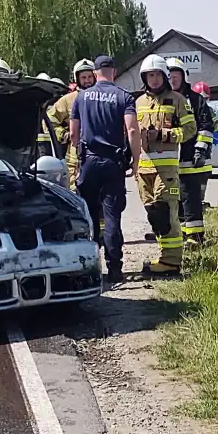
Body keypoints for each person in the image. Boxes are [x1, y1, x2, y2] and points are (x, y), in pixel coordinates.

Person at [70, 55, 140, 285]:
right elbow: (131, 131)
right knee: (112, 218)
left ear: (96, 72)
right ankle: (115, 269)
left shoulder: (81, 97)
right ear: (114, 71)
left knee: (89, 217)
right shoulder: (124, 96)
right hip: (113, 164)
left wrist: (80, 156)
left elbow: (73, 134)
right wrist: (136, 161)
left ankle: (90, 269)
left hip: (89, 162)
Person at [135, 54, 196, 277]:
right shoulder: (138, 102)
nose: (153, 80)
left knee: (167, 215)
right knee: (154, 216)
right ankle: (164, 256)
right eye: (149, 75)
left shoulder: (178, 100)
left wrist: (163, 134)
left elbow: (190, 131)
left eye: (157, 75)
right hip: (143, 170)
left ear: (164, 76)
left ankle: (171, 262)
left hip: (166, 171)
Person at [166, 59, 214, 246]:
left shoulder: (195, 99)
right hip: (168, 159)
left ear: (183, 76)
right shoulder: (163, 100)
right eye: (169, 76)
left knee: (190, 198)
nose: (172, 79)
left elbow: (206, 126)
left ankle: (195, 237)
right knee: (171, 199)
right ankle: (177, 234)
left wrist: (200, 150)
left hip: (190, 159)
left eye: (176, 76)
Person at [48, 59, 96, 191]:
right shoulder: (68, 100)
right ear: (77, 79)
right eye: (83, 77)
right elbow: (49, 120)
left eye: (90, 77)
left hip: (98, 156)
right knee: (76, 196)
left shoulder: (103, 97)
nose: (87, 80)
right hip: (75, 160)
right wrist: (64, 135)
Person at [192, 81, 217, 209]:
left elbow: (215, 127)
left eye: (205, 98)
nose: (203, 101)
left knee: (203, 177)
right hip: (191, 150)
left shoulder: (210, 111)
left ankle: (200, 201)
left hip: (206, 151)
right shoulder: (188, 109)